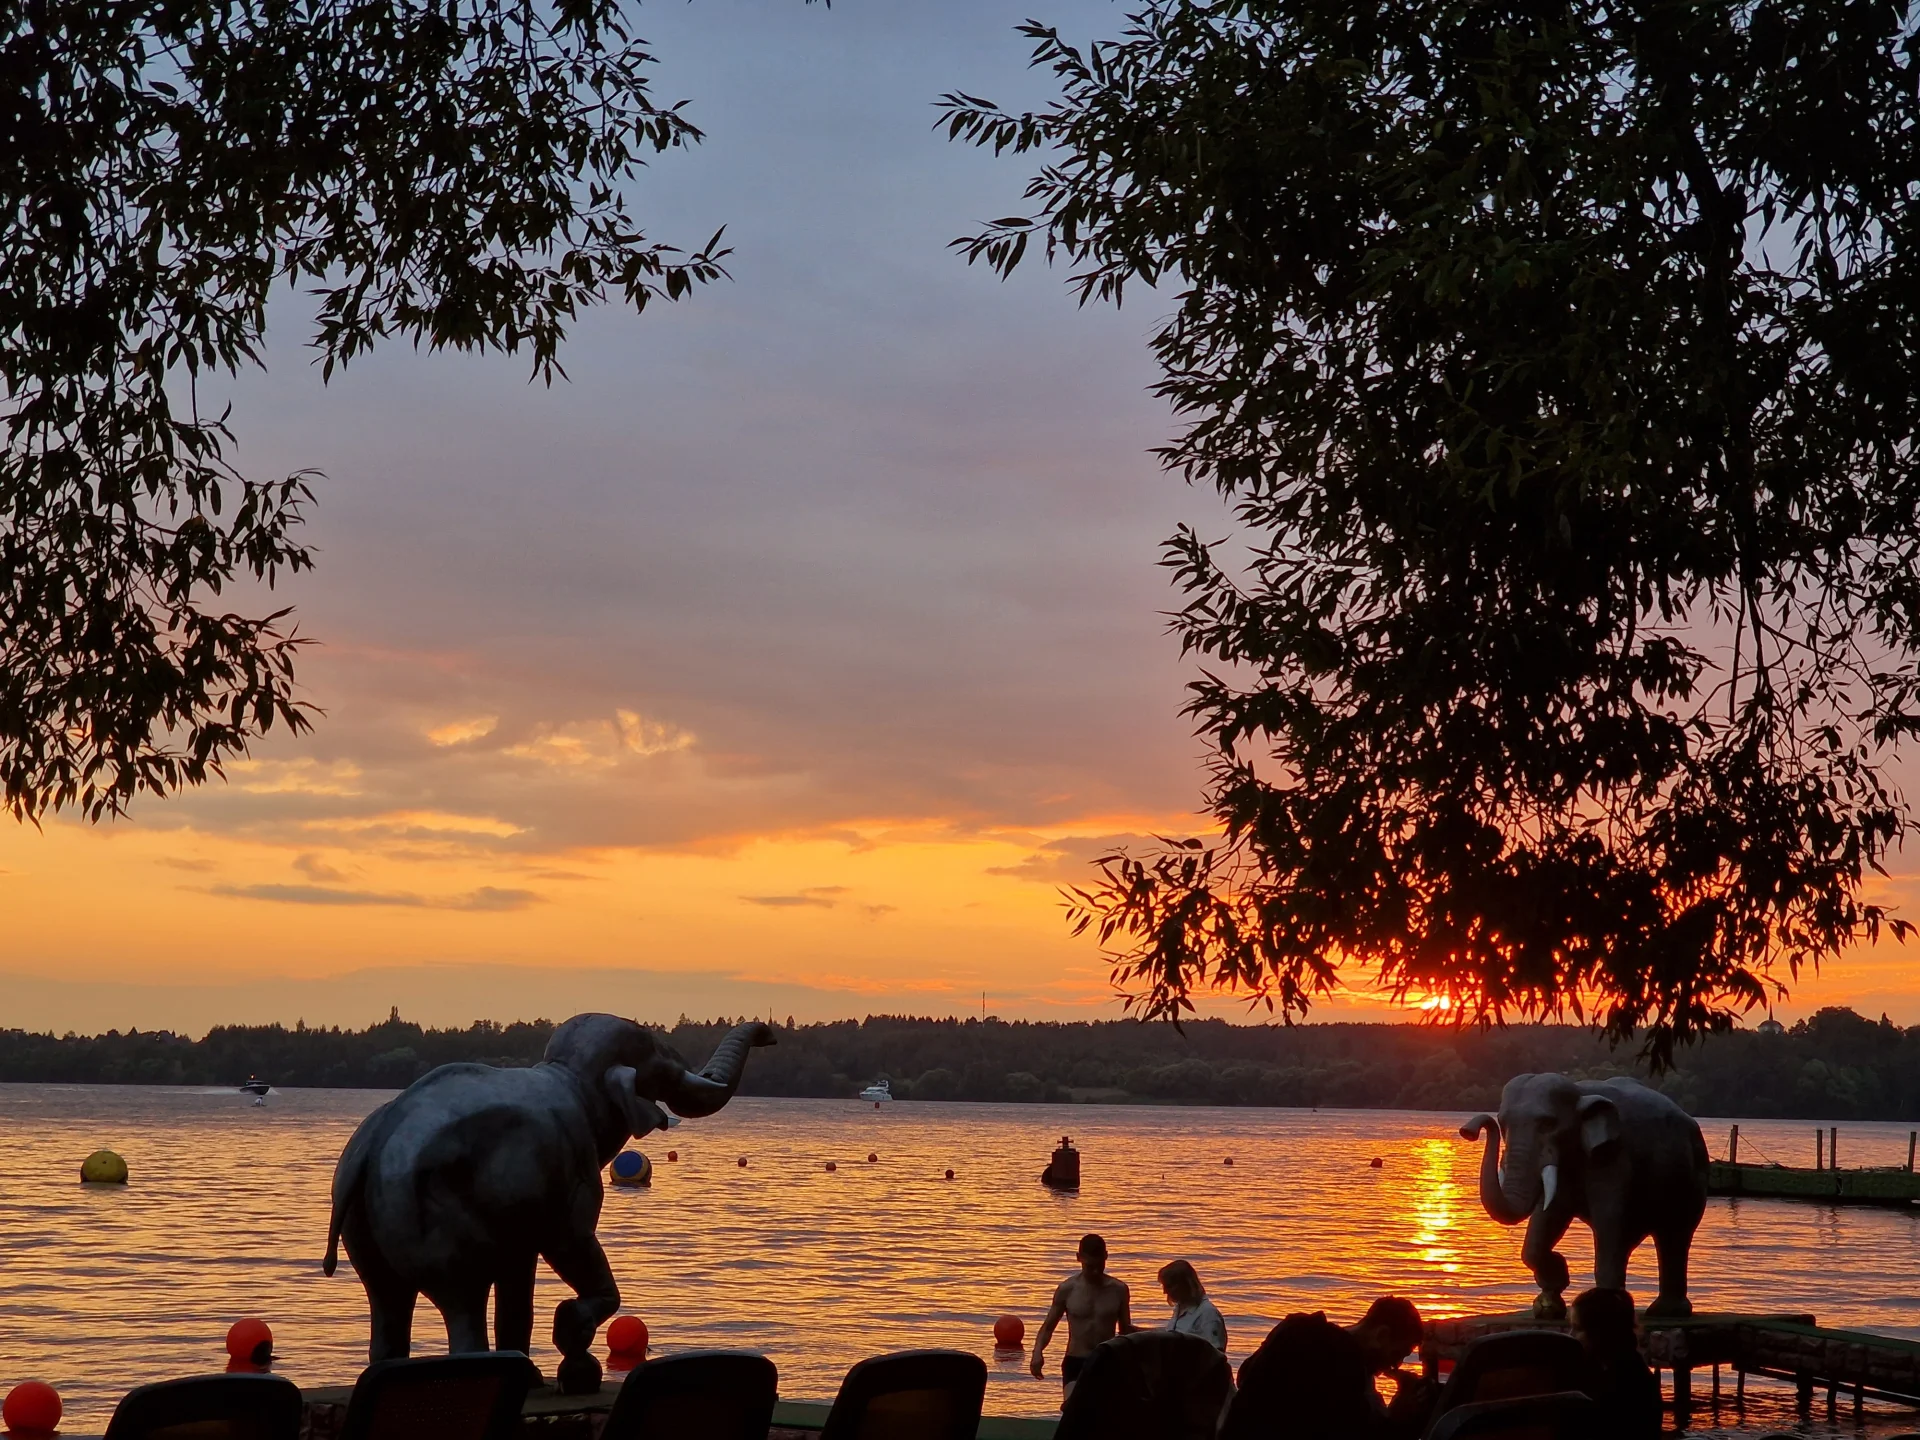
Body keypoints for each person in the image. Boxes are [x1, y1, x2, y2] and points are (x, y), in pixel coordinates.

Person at [1222, 1296, 1431, 1440]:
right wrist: (1402, 1410)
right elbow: (1356, 1433)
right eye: (1396, 1355)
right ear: (1381, 1335)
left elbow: (1245, 1375)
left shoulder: (1298, 1328)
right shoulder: (1342, 1363)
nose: (1395, 1365)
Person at [1031, 1233, 1136, 1400]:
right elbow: (1048, 1327)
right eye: (1089, 1266)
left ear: (1106, 1257)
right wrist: (1037, 1353)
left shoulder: (1119, 1290)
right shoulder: (1067, 1289)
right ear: (1079, 1258)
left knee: (1104, 1414)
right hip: (1075, 1360)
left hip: (1107, 1360)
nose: (1095, 1271)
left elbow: (1125, 1331)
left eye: (1099, 1265)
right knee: (1072, 1407)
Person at [1571, 1286, 1659, 1438]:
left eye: (1578, 1329)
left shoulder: (1629, 1383)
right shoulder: (1602, 1368)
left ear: (1601, 1332)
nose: (1571, 1335)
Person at [1159, 1259, 1228, 1352]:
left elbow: (1216, 1354)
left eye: (1169, 1286)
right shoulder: (1180, 1309)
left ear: (1185, 1285)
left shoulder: (1208, 1314)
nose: (1165, 1291)